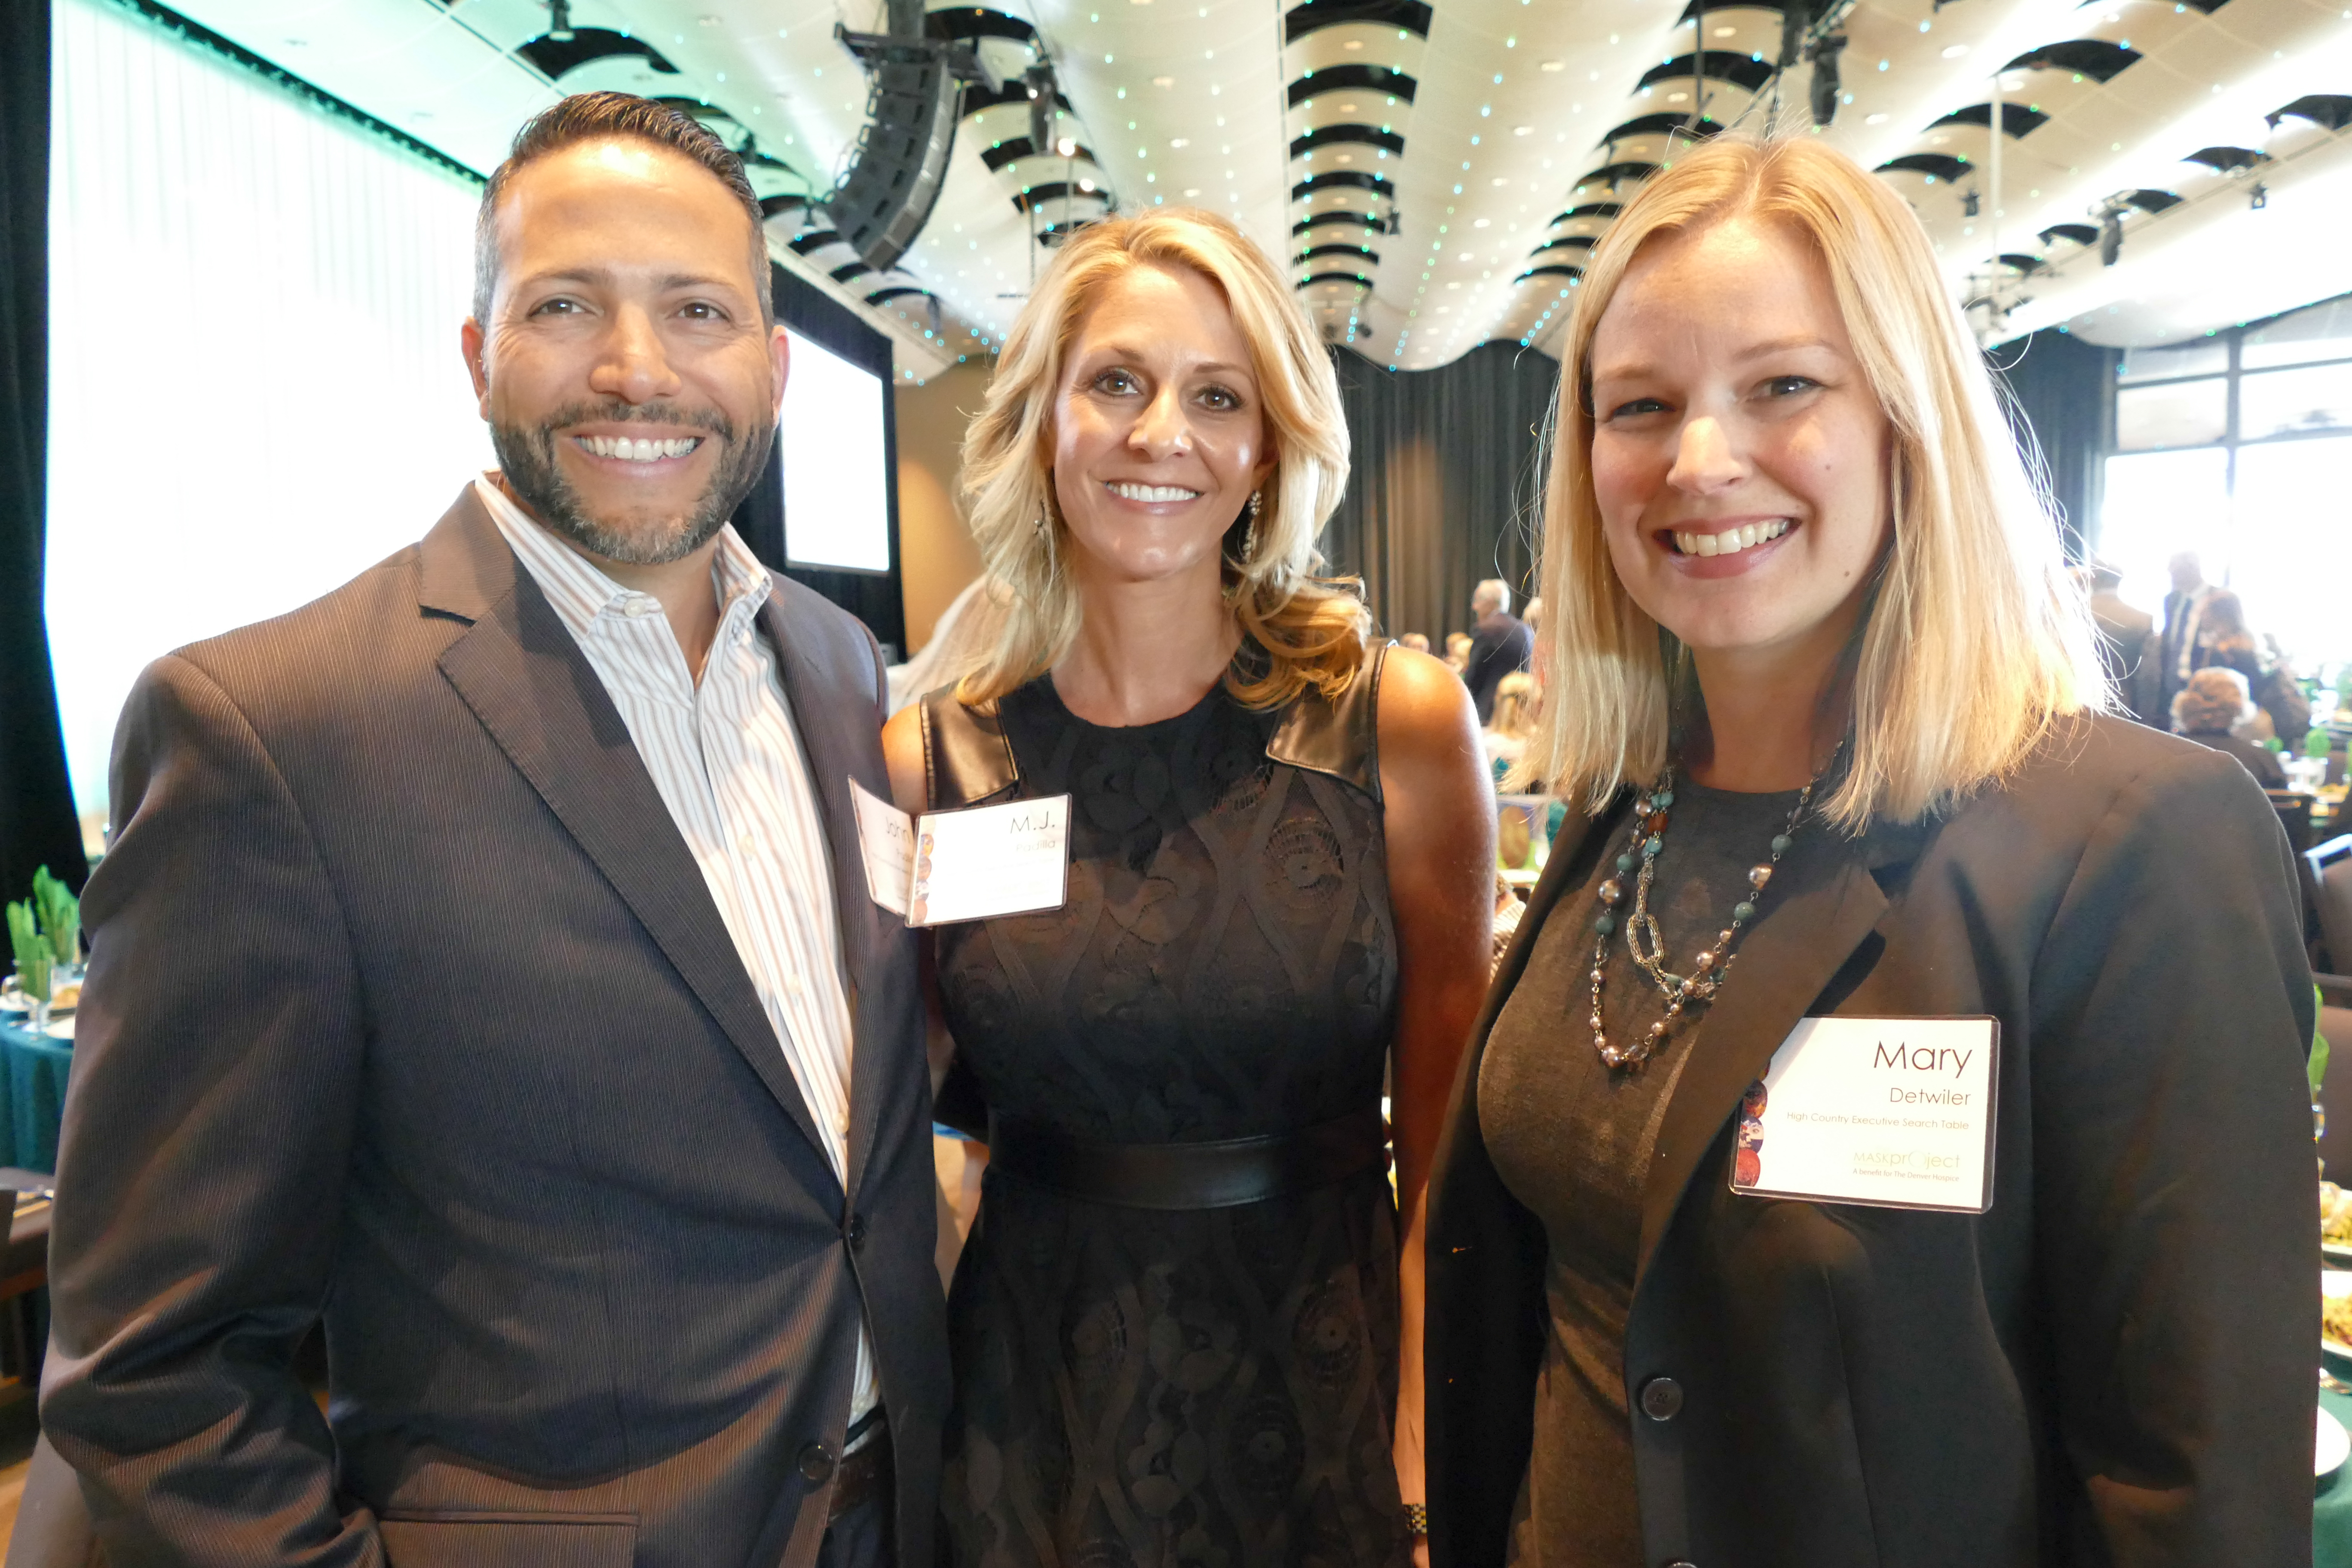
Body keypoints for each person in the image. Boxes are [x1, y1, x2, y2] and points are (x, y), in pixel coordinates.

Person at [39, 94, 947, 1568]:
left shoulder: (843, 666)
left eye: (697, 309)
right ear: (477, 355)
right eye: (566, 304)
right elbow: (158, 1366)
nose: (635, 367)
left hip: (901, 1514)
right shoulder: (273, 730)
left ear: (772, 370)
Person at [1425, 137, 2315, 1568]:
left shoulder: (2129, 844)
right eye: (1638, 404)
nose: (1698, 459)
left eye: (1782, 385)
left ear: (1909, 417)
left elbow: (2195, 1488)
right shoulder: (1620, 810)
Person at [879, 209, 1496, 1568]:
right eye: (1115, 383)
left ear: (1267, 446)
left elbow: (1451, 1159)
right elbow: (901, 1128)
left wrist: (1418, 1460)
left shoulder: (1393, 730)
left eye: (1217, 396)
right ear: (1046, 420)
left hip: (1322, 1418)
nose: (1163, 433)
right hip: (1027, 1432)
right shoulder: (938, 764)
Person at [2173, 668, 2289, 788]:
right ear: (2237, 707)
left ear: (2184, 705)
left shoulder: (2161, 755)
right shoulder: (2263, 761)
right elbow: (2283, 804)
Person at [2080, 559, 2158, 725]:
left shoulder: (2068, 613)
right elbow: (2148, 677)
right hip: (2122, 706)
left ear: (2092, 578)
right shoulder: (2141, 620)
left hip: (2073, 704)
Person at [1463, 579, 1534, 723]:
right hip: (1524, 713)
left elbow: (1473, 678)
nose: (1474, 607)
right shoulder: (1525, 630)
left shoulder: (1486, 629)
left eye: (1477, 600)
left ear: (1490, 601)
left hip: (1491, 714)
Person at [2159, 549, 2214, 714]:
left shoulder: (2216, 599)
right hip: (2171, 680)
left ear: (2192, 570)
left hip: (2202, 684)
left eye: (2176, 571)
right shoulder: (2172, 600)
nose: (2172, 576)